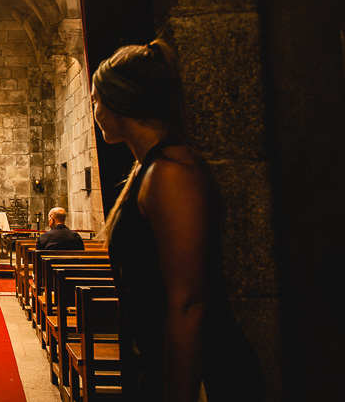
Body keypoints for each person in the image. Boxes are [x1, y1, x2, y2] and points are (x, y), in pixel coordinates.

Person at [91, 39, 263, 402]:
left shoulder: (170, 174)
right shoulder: (148, 167)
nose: (94, 109)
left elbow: (189, 304)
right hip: (157, 362)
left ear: (118, 103)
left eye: (96, 99)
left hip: (203, 375)